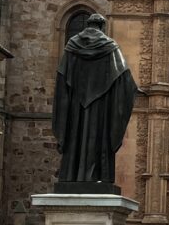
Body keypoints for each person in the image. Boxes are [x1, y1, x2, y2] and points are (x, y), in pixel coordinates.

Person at [52, 13, 138, 190]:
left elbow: (62, 77)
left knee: (76, 135)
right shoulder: (110, 46)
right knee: (98, 138)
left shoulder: (71, 46)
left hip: (75, 105)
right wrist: (133, 90)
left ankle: (71, 175)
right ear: (102, 27)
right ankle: (97, 175)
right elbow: (124, 78)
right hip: (101, 106)